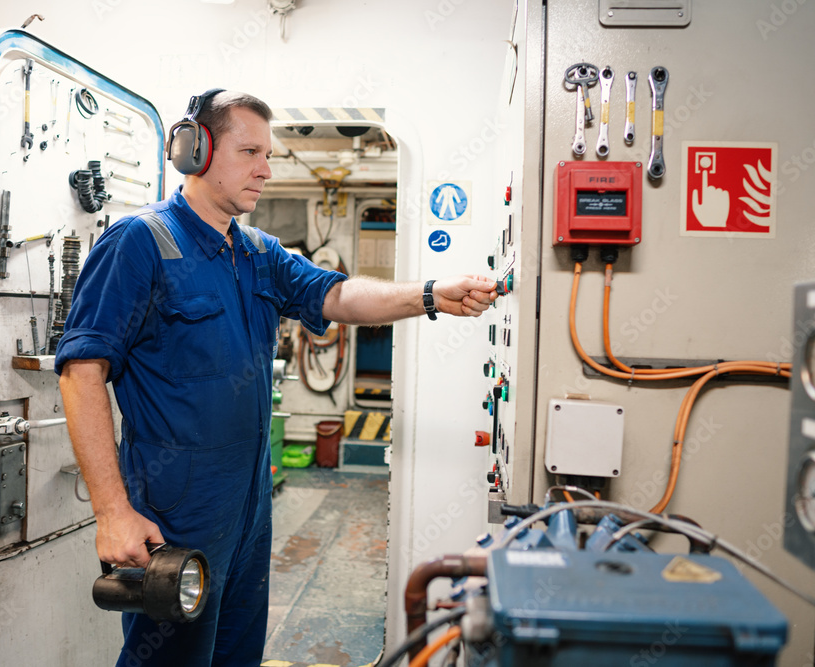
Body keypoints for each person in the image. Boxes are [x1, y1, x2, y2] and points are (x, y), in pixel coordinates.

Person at [55, 89, 498, 667]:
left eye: (270, 154)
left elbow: (336, 294)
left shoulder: (258, 251)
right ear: (196, 150)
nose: (266, 169)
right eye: (250, 152)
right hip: (175, 510)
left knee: (237, 650)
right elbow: (81, 371)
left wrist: (428, 295)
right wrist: (113, 513)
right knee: (169, 658)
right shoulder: (141, 243)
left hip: (247, 503)